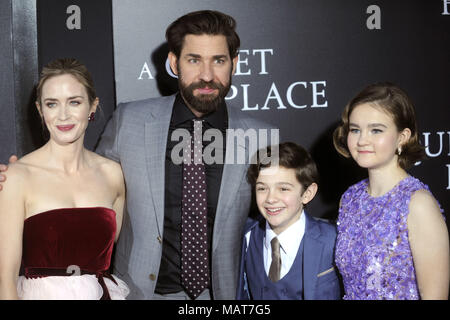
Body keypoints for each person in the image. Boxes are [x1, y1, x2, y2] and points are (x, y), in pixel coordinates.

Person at [0, 11, 276, 300]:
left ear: (234, 64)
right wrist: (20, 179)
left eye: (218, 60)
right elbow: (82, 185)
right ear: (174, 63)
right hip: (138, 293)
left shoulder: (261, 139)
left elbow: (284, 210)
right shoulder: (129, 121)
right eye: (194, 60)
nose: (206, 75)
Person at [0, 58, 129, 299]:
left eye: (74, 102)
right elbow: (4, 285)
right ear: (40, 110)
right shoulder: (17, 177)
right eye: (52, 104)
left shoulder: (113, 175)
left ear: (92, 106)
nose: (63, 115)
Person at [333, 82, 449, 300]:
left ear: (402, 137)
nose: (362, 140)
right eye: (355, 130)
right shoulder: (349, 199)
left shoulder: (417, 204)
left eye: (376, 130)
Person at [236, 142, 341, 300]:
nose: (271, 199)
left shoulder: (333, 240)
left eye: (283, 189)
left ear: (307, 194)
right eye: (262, 188)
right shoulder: (246, 235)